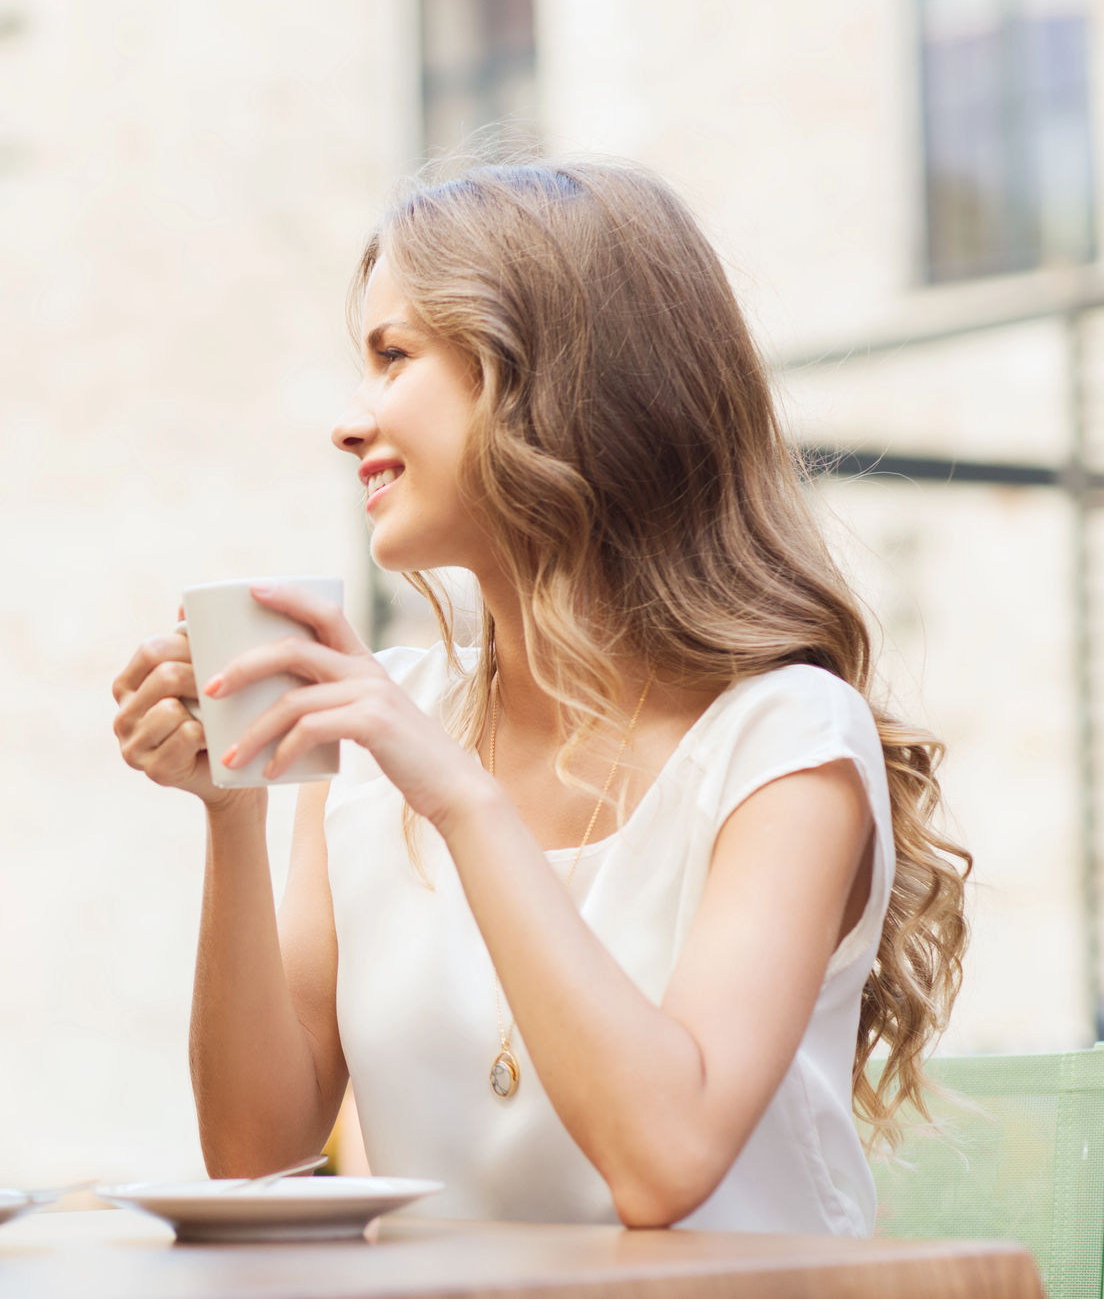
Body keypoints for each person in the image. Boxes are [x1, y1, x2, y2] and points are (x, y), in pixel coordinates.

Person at [112, 160, 971, 1234]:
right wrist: (233, 809)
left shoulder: (783, 740)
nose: (348, 421)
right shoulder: (384, 735)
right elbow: (258, 1155)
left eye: (393, 358)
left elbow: (662, 1163)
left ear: (549, 385)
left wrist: (460, 797)